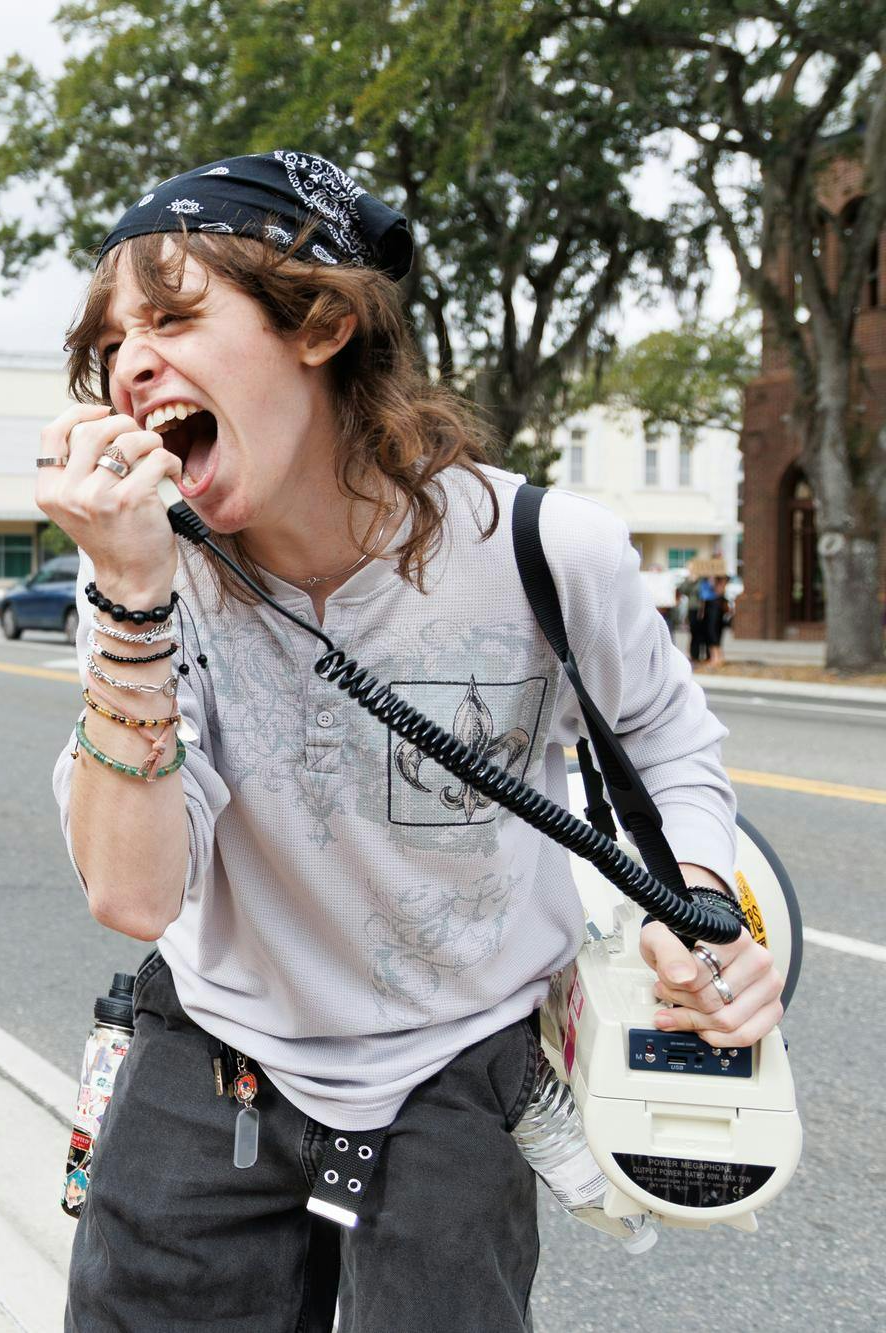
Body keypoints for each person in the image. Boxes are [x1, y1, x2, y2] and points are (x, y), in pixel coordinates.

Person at [38, 152, 781, 1329]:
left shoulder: (543, 548)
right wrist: (129, 598)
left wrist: (695, 901)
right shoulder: (142, 569)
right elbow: (132, 894)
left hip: (457, 1065)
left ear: (322, 322)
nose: (133, 363)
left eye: (174, 316)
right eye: (113, 340)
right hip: (217, 1051)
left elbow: (667, 744)